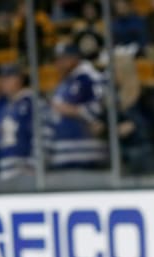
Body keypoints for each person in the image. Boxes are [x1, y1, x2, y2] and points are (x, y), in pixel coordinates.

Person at [45, 39, 108, 170]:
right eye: (56, 60)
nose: (57, 64)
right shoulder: (65, 83)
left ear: (74, 58)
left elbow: (102, 108)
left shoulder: (89, 77)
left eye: (62, 59)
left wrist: (72, 110)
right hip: (64, 156)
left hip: (87, 156)